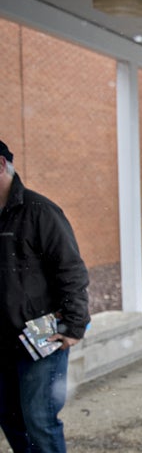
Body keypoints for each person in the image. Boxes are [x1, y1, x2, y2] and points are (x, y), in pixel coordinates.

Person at [0, 140, 90, 452]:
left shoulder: (40, 211)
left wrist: (74, 326)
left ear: (1, 166)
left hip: (41, 338)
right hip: (3, 340)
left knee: (40, 420)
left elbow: (71, 271)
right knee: (9, 418)